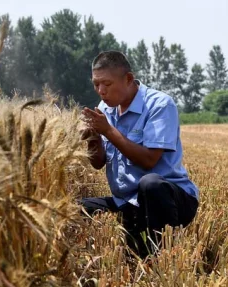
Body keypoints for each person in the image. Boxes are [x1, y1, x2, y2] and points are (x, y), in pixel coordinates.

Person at [79, 50, 199, 259]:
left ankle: (162, 257)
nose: (101, 91)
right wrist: (93, 138)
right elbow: (98, 163)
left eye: (106, 84)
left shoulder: (159, 104)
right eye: (96, 85)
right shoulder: (104, 110)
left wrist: (107, 130)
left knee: (150, 184)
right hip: (128, 201)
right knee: (76, 209)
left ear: (128, 79)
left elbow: (149, 160)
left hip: (170, 198)